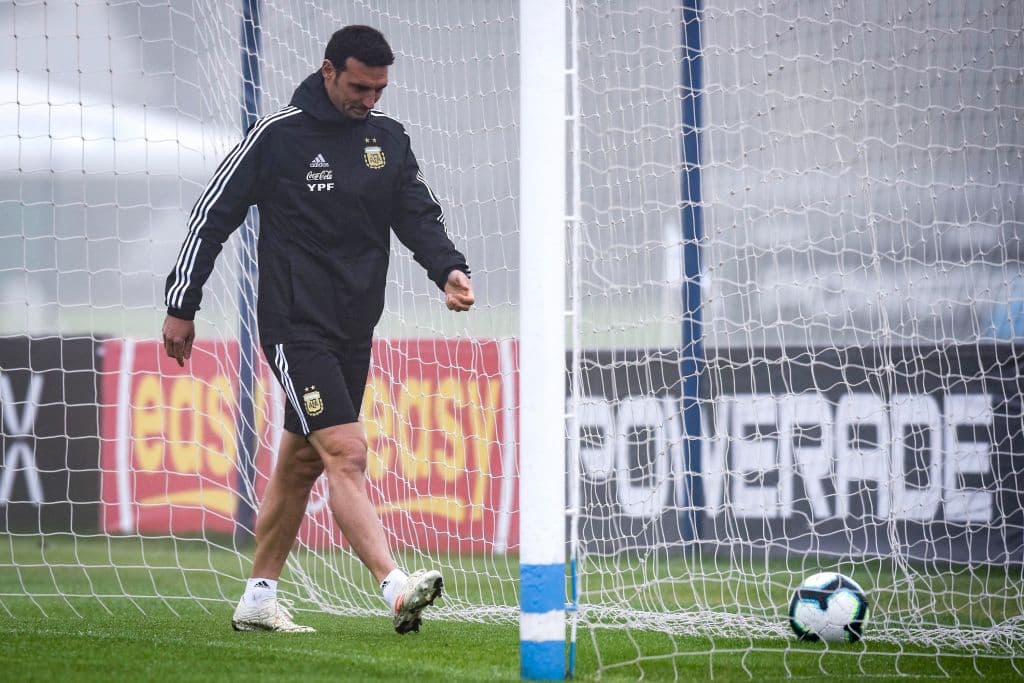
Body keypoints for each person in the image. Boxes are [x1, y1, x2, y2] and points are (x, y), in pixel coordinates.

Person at [161, 25, 474, 634]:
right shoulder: (278, 137)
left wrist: (449, 268)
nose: (369, 99)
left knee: (302, 461)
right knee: (346, 451)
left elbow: (416, 211)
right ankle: (394, 587)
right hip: (293, 324)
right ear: (328, 71)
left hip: (354, 326)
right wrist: (182, 303)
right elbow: (211, 217)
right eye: (359, 86)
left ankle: (257, 597)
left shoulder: (388, 139)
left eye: (380, 89)